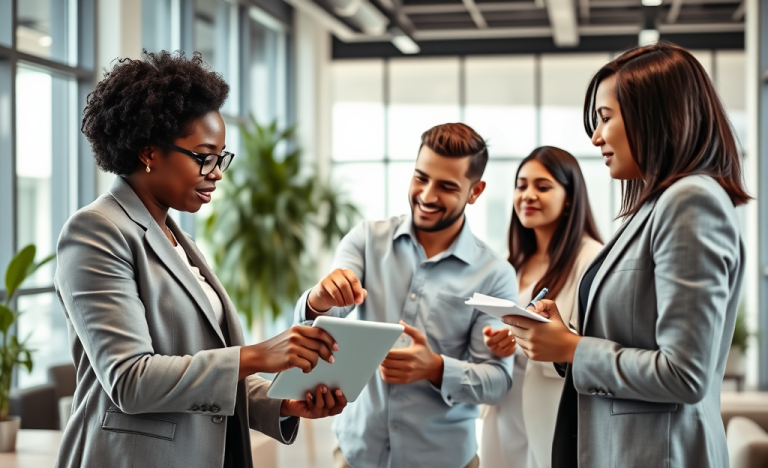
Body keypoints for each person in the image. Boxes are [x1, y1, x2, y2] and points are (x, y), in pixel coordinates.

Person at [54, 51, 346, 468]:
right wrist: (258, 354)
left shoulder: (179, 240)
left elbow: (209, 368)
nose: (217, 172)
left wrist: (282, 403)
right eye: (204, 156)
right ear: (149, 153)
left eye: (220, 157)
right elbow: (130, 380)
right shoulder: (96, 230)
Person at [505, 42, 750, 468]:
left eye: (605, 117)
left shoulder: (690, 202)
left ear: (654, 115)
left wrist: (572, 348)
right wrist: (562, 339)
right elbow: (636, 337)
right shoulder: (655, 207)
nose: (596, 136)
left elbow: (684, 374)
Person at [293, 123, 517, 468]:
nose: (427, 195)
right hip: (358, 454)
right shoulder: (366, 240)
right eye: (420, 178)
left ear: (475, 191)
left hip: (444, 460)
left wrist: (436, 368)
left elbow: (498, 381)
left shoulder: (495, 274)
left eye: (446, 186)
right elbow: (317, 326)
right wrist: (319, 299)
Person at [481, 146, 603, 468]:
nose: (528, 195)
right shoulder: (511, 262)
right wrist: (499, 343)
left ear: (569, 198)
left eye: (543, 186)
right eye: (521, 185)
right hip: (506, 408)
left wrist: (537, 343)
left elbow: (593, 347)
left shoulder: (592, 259)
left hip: (553, 407)